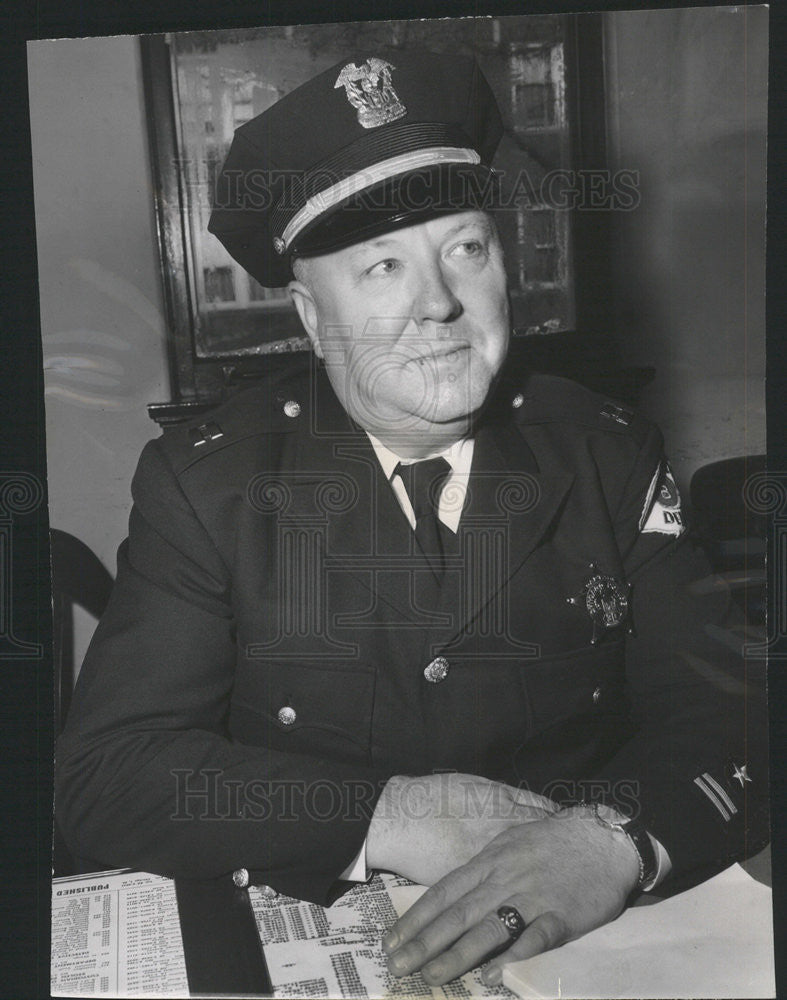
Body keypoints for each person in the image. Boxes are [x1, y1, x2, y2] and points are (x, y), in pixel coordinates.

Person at [56, 49, 768, 987]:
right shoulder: (212, 485)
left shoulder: (603, 450)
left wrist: (617, 841)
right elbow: (107, 774)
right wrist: (388, 812)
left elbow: (734, 708)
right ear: (312, 319)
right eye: (382, 266)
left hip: (584, 949)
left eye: (465, 248)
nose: (438, 303)